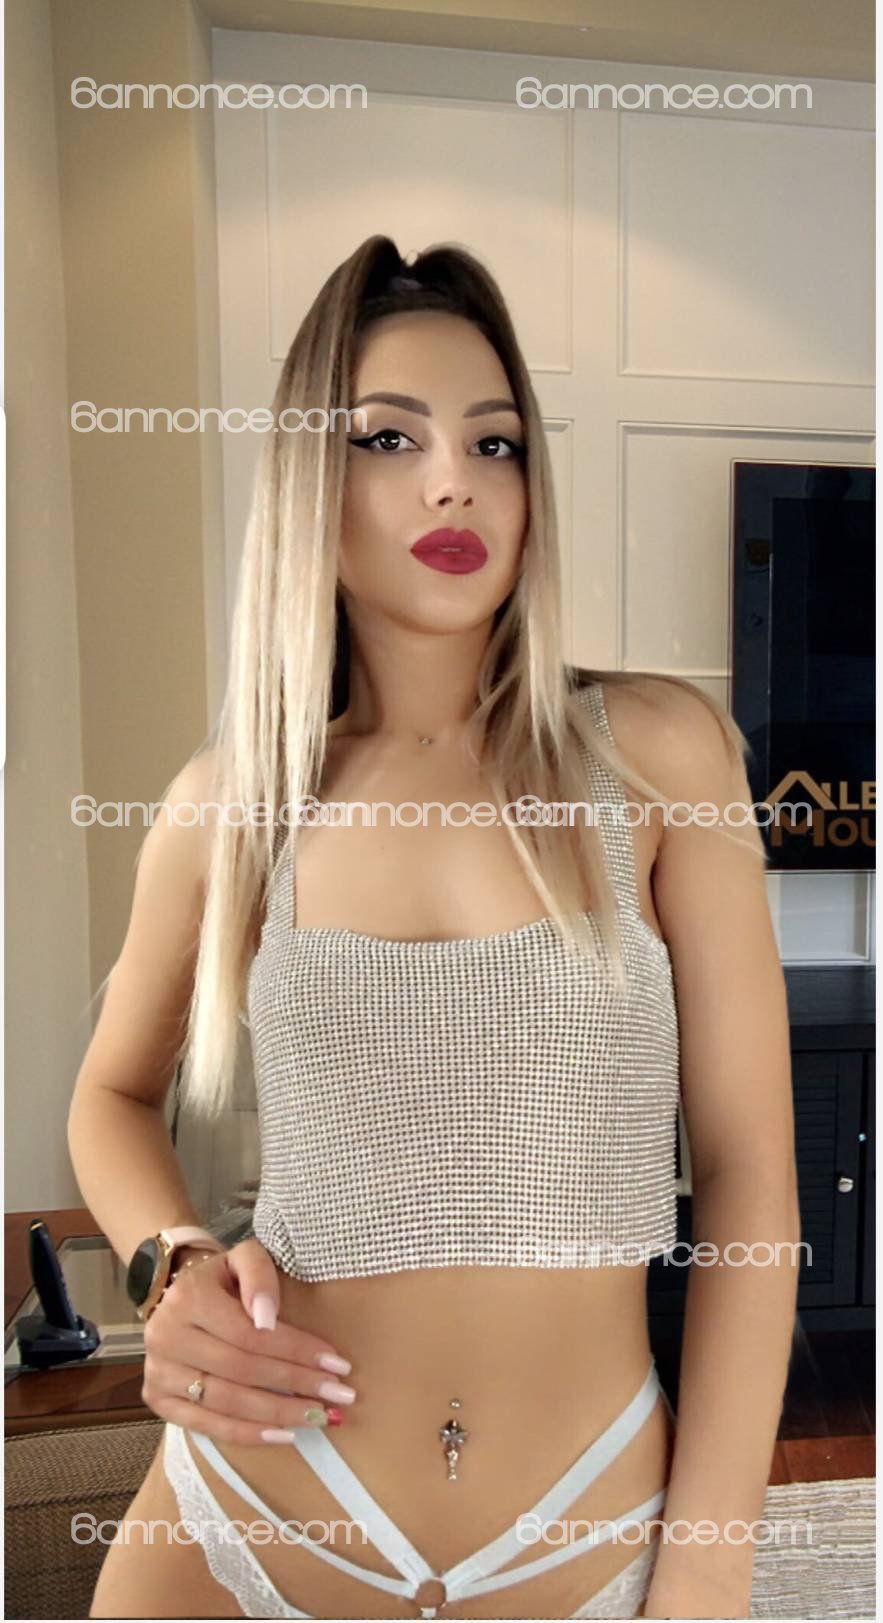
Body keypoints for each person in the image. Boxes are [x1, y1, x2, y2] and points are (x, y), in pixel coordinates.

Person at [71, 236, 800, 1620]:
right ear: (310, 482)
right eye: (389, 438)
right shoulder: (234, 805)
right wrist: (172, 1259)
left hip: (587, 1525)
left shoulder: (657, 756)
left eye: (495, 443)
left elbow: (750, 1173)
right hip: (251, 1510)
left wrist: (708, 1566)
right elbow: (109, 1094)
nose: (454, 480)